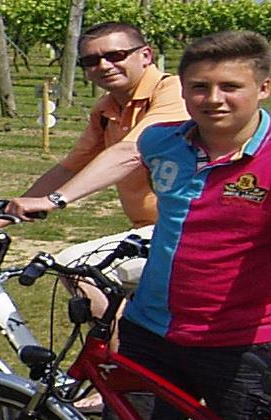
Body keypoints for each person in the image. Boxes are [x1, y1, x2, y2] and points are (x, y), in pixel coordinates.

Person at [9, 31, 271, 420]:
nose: (213, 98)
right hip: (152, 331)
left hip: (245, 341)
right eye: (199, 86)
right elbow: (122, 153)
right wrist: (56, 200)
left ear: (263, 88)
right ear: (184, 88)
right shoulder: (167, 138)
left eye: (230, 86)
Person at [12, 22, 187, 323]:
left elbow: (130, 152)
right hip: (150, 231)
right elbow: (70, 167)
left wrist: (54, 200)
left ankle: (122, 359)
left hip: (187, 232)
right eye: (91, 60)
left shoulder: (175, 92)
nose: (104, 65)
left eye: (116, 55)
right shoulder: (106, 110)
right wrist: (5, 214)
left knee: (76, 264)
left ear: (146, 55)